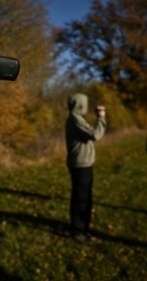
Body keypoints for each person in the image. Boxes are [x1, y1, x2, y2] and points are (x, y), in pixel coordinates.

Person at [65, 93, 107, 243]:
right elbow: (95, 135)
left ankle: (84, 228)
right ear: (80, 104)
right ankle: (77, 231)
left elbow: (91, 135)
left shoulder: (78, 119)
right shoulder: (75, 120)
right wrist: (101, 117)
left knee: (86, 198)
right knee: (80, 198)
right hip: (80, 164)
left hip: (85, 163)